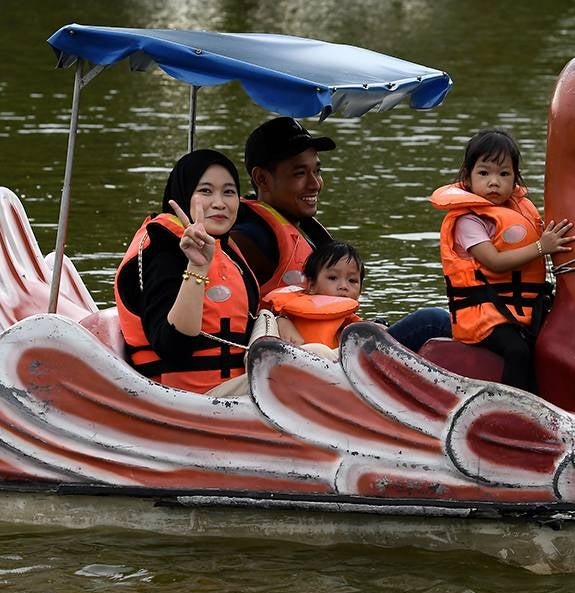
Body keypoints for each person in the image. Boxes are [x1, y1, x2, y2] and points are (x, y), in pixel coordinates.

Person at [231, 116, 451, 352]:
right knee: (433, 321)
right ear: (262, 178)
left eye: (317, 171)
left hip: (335, 347)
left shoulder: (304, 230)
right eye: (299, 173)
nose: (315, 183)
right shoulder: (251, 238)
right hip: (318, 361)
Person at [430, 128, 575, 392]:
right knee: (517, 351)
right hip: (484, 317)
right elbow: (494, 261)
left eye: (504, 174)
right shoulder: (468, 220)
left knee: (555, 343)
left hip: (522, 312)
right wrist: (543, 246)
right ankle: (512, 411)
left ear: (515, 178)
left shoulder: (520, 210)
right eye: (484, 173)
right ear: (467, 178)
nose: (494, 182)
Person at [114, 149, 260, 395]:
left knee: (319, 355)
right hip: (185, 400)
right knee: (297, 381)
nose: (219, 203)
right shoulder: (162, 252)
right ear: (183, 194)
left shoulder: (227, 250)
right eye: (205, 191)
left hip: (235, 393)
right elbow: (172, 347)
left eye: (229, 192)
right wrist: (197, 266)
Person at [265, 241, 365, 350]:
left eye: (352, 280)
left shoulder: (356, 328)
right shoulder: (286, 316)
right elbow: (266, 319)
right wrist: (280, 321)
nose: (344, 286)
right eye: (333, 278)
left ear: (360, 291)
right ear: (312, 286)